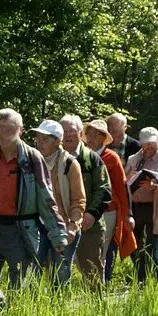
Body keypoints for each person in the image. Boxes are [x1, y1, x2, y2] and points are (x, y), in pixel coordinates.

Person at [0, 109, 69, 297]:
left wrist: (57, 233)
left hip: (21, 230)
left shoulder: (33, 157)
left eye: (9, 128)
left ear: (21, 130)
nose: (3, 133)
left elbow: (46, 197)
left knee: (21, 287)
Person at [30, 120, 86, 288]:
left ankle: (59, 309)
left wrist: (72, 225)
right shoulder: (32, 162)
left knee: (60, 274)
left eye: (45, 139)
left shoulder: (69, 163)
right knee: (32, 271)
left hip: (63, 226)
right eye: (38, 139)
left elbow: (79, 200)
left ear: (57, 141)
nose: (40, 143)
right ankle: (32, 309)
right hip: (37, 225)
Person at [60, 115, 113, 290]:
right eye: (64, 131)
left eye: (72, 131)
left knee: (92, 272)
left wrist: (91, 213)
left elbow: (104, 189)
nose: (68, 135)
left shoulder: (92, 159)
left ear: (80, 133)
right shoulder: (52, 158)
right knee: (58, 271)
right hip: (59, 225)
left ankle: (97, 311)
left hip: (89, 226)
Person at [84, 119, 135, 284]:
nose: (90, 138)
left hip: (108, 210)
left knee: (103, 248)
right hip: (86, 210)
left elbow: (121, 187)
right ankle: (91, 281)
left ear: (103, 138)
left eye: (94, 135)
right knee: (86, 248)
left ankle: (101, 282)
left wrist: (127, 214)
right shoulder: (83, 155)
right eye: (88, 134)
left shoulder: (111, 157)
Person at [124, 129, 158, 282]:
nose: (149, 146)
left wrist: (155, 187)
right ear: (140, 143)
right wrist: (129, 176)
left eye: (152, 143)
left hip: (154, 209)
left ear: (157, 141)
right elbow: (123, 181)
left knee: (149, 246)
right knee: (133, 246)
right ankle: (150, 276)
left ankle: (145, 280)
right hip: (133, 208)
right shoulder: (133, 159)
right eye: (145, 143)